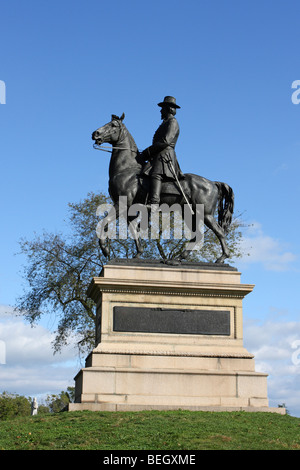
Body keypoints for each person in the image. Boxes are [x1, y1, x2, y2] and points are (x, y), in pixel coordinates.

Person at [141, 96, 184, 205]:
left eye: (163, 108)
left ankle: (154, 202)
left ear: (169, 109)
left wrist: (148, 151)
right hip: (158, 155)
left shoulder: (172, 122)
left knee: (156, 174)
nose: (161, 110)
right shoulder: (165, 122)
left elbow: (166, 141)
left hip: (165, 156)